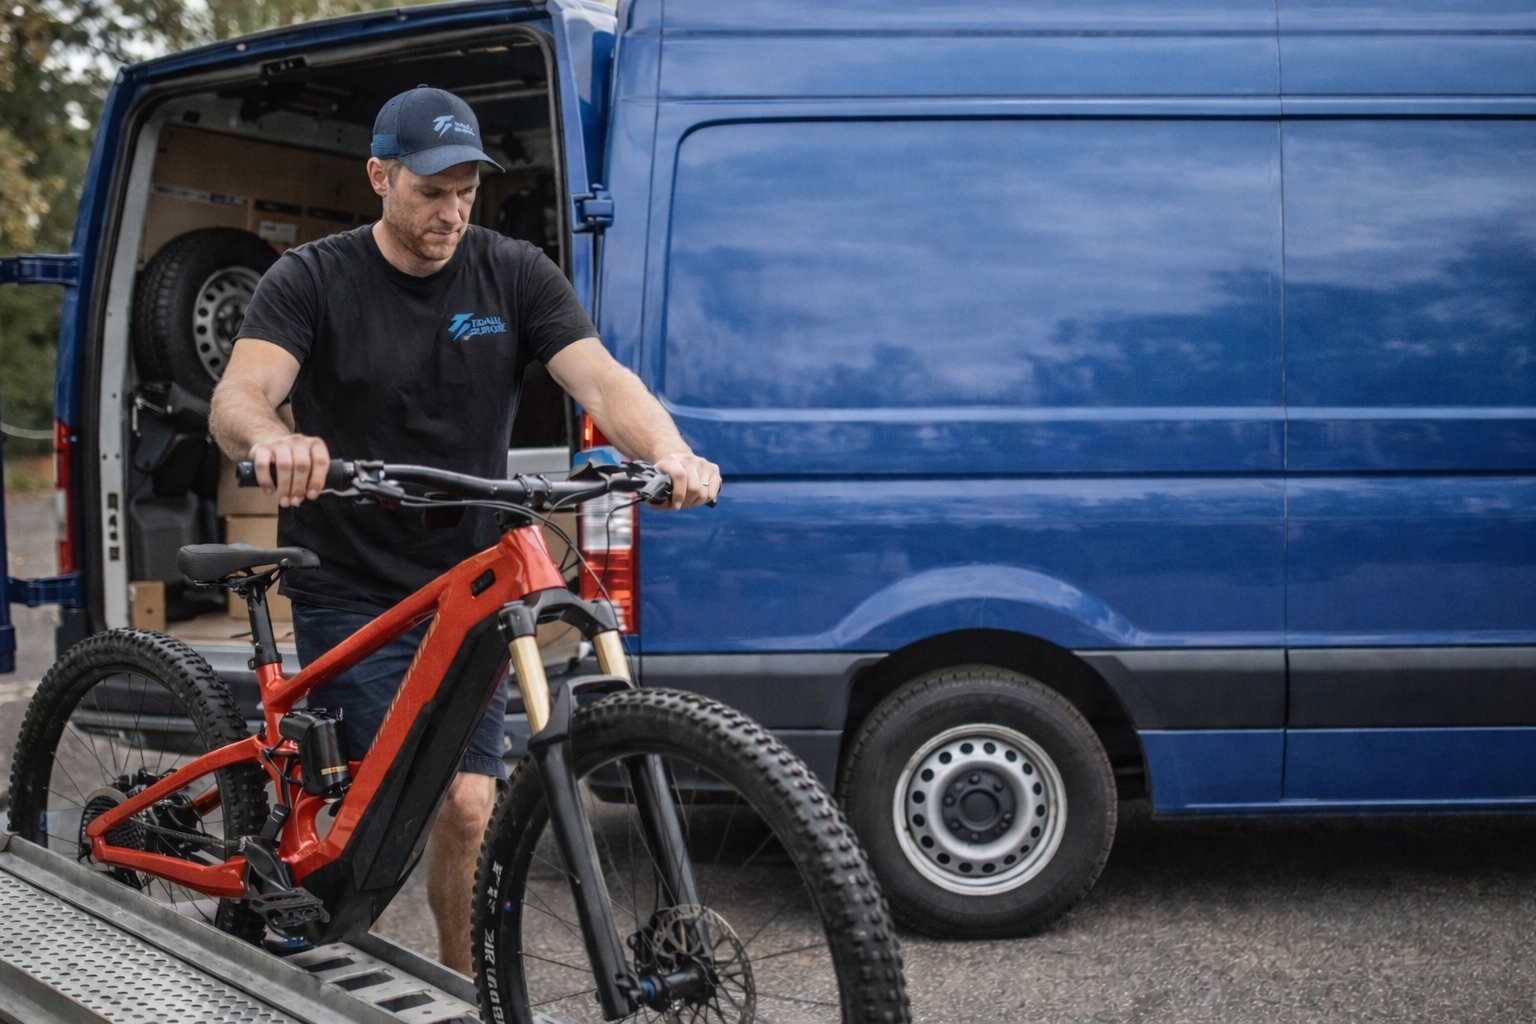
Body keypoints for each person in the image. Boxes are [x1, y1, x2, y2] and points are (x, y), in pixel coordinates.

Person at [208, 85, 719, 973]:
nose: (451, 211)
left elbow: (601, 380)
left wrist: (672, 454)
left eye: (466, 191)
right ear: (380, 176)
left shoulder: (512, 273)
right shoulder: (315, 278)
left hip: (466, 587)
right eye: (431, 190)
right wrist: (276, 439)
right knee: (367, 812)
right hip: (352, 584)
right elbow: (238, 396)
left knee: (469, 806)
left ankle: (461, 981)